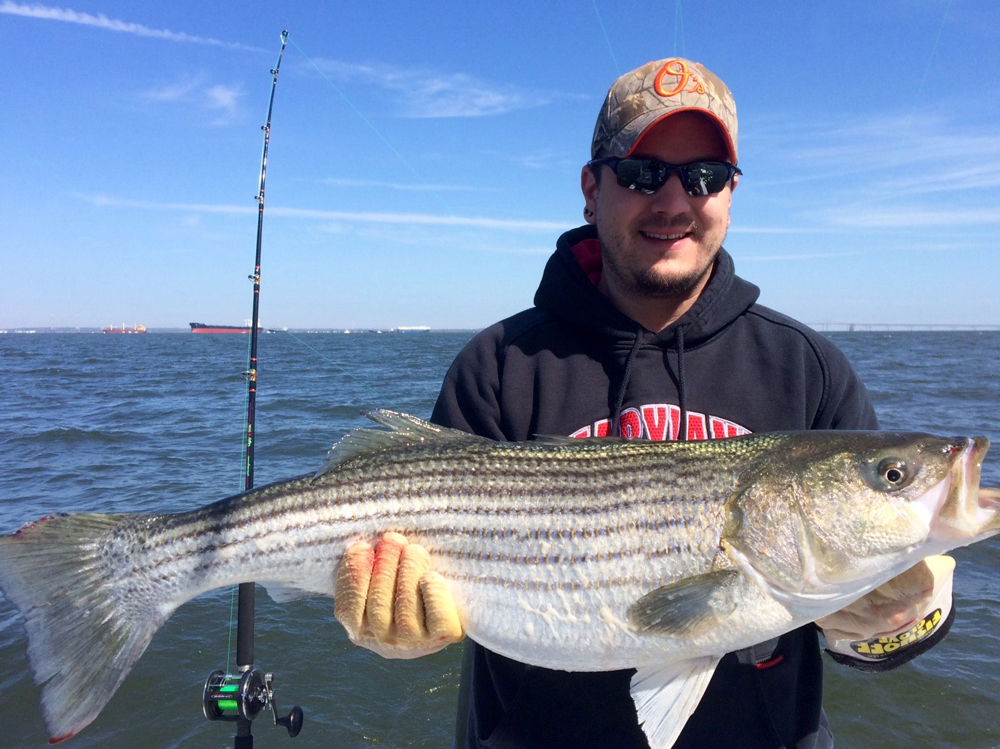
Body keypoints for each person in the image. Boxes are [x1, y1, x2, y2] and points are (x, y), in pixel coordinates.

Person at [333, 57, 957, 748]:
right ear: (591, 189)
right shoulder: (499, 364)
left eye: (704, 177)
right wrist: (392, 628)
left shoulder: (807, 369)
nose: (673, 201)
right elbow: (428, 591)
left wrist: (903, 618)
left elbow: (866, 641)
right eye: (640, 173)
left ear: (731, 193)